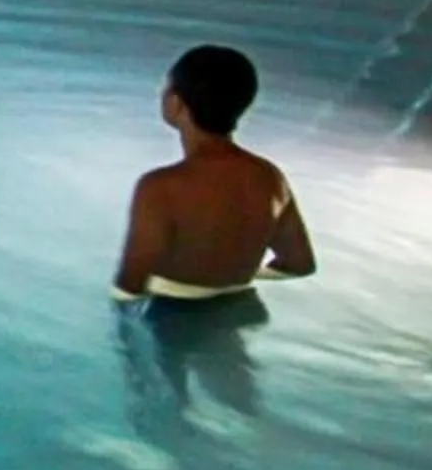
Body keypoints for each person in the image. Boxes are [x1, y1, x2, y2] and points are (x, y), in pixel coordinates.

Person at [112, 45, 317, 302]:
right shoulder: (269, 177)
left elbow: (129, 287)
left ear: (176, 103)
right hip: (240, 306)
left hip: (170, 317)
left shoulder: (160, 186)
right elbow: (299, 265)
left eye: (166, 88)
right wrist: (236, 275)